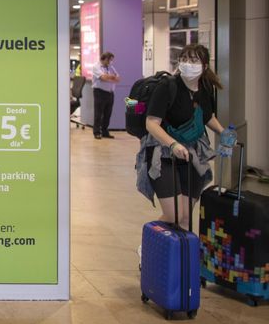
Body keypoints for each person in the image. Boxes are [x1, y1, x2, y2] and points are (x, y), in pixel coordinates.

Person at [135, 44, 234, 228]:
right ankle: (150, 245)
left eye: (194, 60)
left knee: (186, 217)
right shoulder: (168, 86)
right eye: (184, 59)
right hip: (163, 154)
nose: (188, 64)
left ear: (204, 66)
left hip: (191, 154)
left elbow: (208, 116)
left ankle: (176, 255)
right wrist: (173, 145)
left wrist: (223, 132)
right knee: (174, 215)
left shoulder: (205, 88)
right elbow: (151, 123)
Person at [91, 51, 121, 139]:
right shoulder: (96, 67)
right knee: (98, 113)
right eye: (110, 60)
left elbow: (118, 79)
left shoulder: (111, 67)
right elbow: (103, 78)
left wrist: (109, 76)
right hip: (99, 92)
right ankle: (96, 132)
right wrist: (111, 77)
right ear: (104, 59)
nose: (111, 62)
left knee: (108, 113)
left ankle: (105, 131)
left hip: (110, 93)